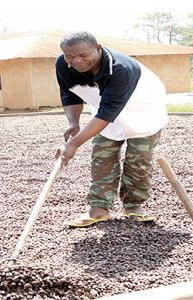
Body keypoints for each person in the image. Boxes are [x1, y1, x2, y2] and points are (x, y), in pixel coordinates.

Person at [54, 31, 169, 228]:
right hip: (105, 106)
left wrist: (73, 144)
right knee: (102, 156)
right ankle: (98, 209)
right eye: (70, 56)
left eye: (83, 55)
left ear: (98, 48)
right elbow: (69, 94)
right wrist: (74, 123)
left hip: (143, 108)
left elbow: (107, 114)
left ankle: (133, 207)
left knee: (139, 159)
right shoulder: (64, 65)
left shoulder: (121, 69)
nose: (77, 61)